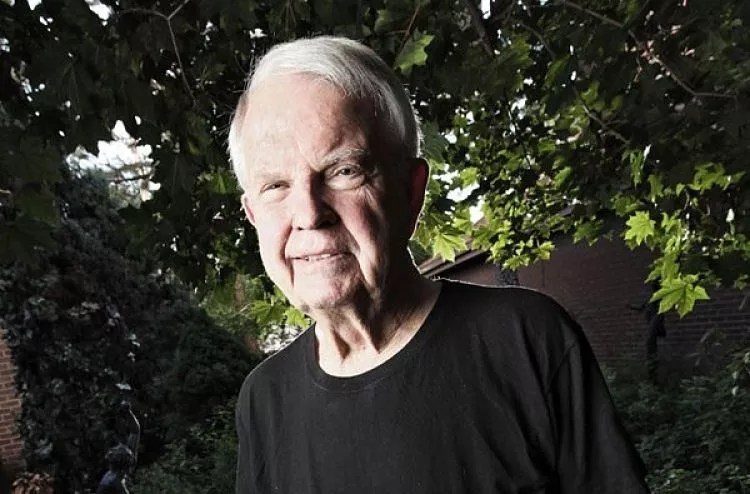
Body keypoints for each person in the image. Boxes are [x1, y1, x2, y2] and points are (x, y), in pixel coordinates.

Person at [228, 36, 649, 494]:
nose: (309, 214)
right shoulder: (263, 401)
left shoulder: (526, 339)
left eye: (344, 171)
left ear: (411, 192)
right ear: (253, 215)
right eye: (275, 186)